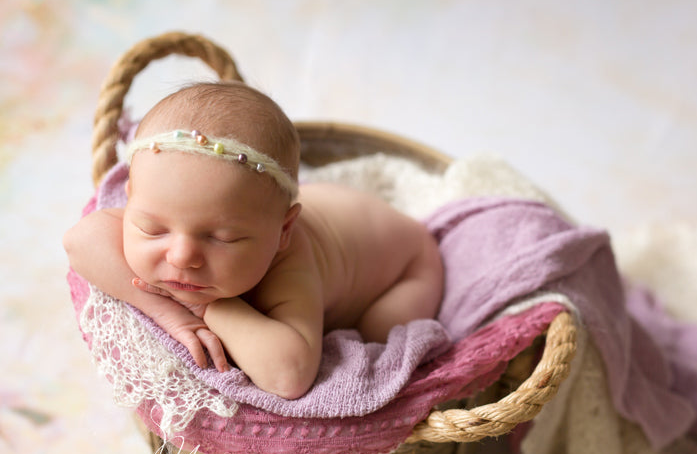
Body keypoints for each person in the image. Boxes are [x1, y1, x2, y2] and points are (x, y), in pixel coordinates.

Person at [64, 81, 444, 399]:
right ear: (130, 197)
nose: (181, 256)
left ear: (282, 232)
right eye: (153, 228)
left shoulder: (291, 265)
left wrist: (212, 309)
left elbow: (290, 375)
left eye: (222, 238)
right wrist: (172, 314)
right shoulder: (180, 204)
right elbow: (81, 240)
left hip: (408, 265)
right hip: (335, 211)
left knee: (379, 334)